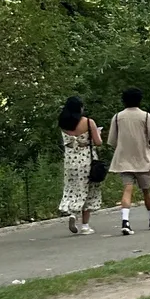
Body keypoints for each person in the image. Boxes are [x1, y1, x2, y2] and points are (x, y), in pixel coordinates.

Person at [107, 88, 150, 236]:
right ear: (140, 100)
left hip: (124, 159)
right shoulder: (145, 116)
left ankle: (125, 221)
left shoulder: (118, 117)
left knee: (127, 189)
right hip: (143, 159)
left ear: (123, 100)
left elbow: (112, 141)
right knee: (146, 190)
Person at [56, 96, 102, 237]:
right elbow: (98, 142)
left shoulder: (63, 123)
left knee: (72, 188)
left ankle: (72, 213)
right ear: (79, 108)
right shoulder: (88, 122)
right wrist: (98, 133)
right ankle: (85, 226)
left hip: (70, 160)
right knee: (88, 189)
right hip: (86, 159)